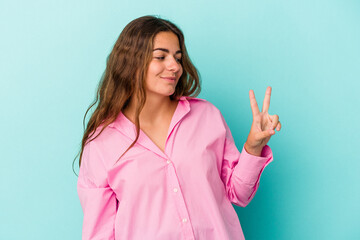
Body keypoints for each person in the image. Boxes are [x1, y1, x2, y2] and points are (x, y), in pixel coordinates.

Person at [77, 15, 281, 240]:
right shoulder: (102, 143)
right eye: (161, 57)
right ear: (131, 62)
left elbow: (239, 194)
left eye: (178, 57)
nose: (174, 67)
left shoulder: (207, 117)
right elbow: (100, 234)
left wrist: (253, 147)